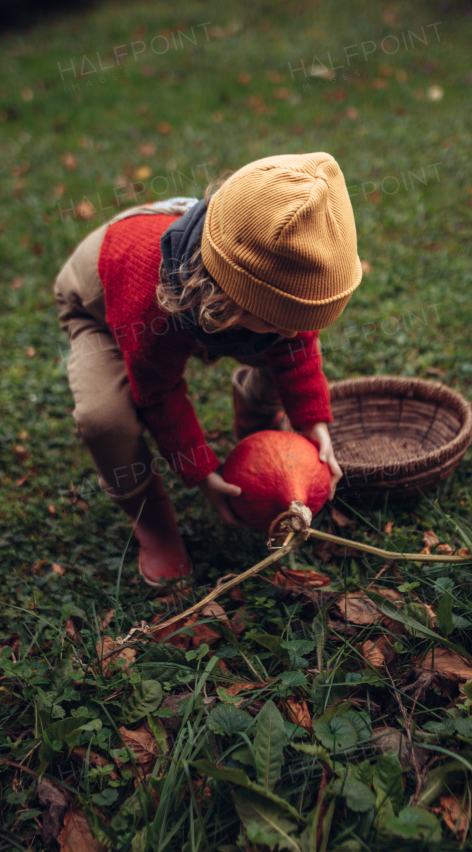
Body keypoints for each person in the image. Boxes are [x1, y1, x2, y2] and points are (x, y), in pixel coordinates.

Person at [52, 152, 360, 586]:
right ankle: (153, 522)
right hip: (100, 304)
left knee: (282, 346)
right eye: (278, 319)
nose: (294, 331)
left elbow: (296, 342)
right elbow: (158, 393)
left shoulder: (270, 296)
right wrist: (199, 471)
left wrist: (313, 422)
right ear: (230, 301)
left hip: (212, 297)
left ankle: (255, 421)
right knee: (106, 419)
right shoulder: (150, 306)